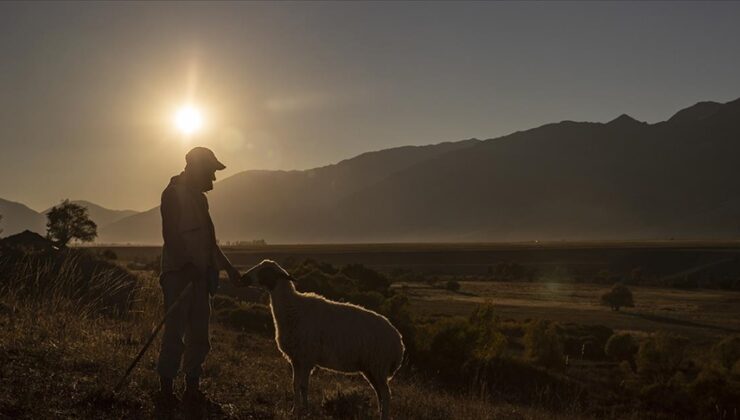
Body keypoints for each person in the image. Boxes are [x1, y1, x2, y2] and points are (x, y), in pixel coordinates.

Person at [156, 147, 241, 407]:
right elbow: (170, 236)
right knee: (175, 334)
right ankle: (166, 392)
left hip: (201, 277)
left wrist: (228, 268)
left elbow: (209, 243)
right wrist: (186, 265)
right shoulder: (172, 194)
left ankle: (192, 390)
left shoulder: (200, 199)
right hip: (179, 277)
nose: (214, 178)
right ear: (196, 167)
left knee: (199, 336)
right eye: (211, 171)